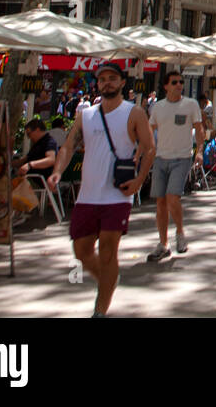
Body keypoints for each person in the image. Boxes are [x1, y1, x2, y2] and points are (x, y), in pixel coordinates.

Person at [48, 62, 155, 317]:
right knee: (82, 251)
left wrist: (139, 181)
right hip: (87, 195)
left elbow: (149, 148)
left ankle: (100, 309)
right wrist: (57, 171)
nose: (107, 82)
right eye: (102, 79)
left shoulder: (134, 113)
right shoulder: (86, 115)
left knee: (108, 251)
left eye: (112, 78)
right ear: (98, 84)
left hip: (117, 194)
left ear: (121, 83)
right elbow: (69, 147)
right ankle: (109, 281)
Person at [146, 71, 204, 261]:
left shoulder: (190, 104)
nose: (179, 84)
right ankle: (163, 244)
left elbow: (199, 128)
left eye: (180, 82)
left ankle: (180, 233)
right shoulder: (157, 107)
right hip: (161, 158)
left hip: (182, 157)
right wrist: (144, 150)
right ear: (166, 86)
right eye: (174, 82)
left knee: (172, 197)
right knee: (160, 202)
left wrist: (200, 150)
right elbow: (149, 129)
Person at [14, 118, 59, 188]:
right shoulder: (37, 144)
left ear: (37, 130)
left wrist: (30, 165)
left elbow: (51, 160)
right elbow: (24, 160)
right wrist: (8, 163)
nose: (29, 137)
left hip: (39, 182)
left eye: (29, 134)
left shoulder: (49, 141)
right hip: (30, 179)